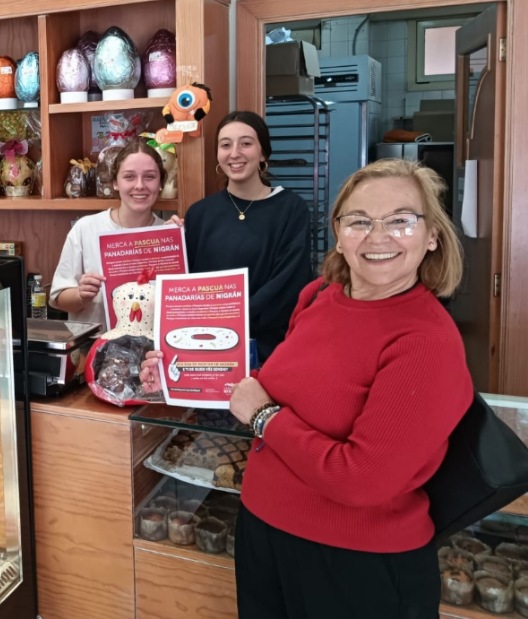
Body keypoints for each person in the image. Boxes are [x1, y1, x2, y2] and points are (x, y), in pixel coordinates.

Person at [145, 159, 473, 618]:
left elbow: (361, 479)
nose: (378, 237)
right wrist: (180, 372)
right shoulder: (319, 295)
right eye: (359, 221)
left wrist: (264, 417)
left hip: (355, 564)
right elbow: (275, 382)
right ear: (339, 232)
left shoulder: (426, 341)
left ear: (432, 235)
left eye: (401, 221)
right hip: (263, 533)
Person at [184, 110, 312, 363]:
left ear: (263, 153)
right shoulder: (199, 214)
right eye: (225, 145)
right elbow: (185, 283)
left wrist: (233, 320)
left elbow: (289, 283)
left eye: (246, 143)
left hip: (267, 350)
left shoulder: (291, 209)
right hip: (205, 346)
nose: (234, 153)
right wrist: (170, 241)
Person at [50, 138, 166, 326]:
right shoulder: (85, 228)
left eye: (150, 177)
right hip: (95, 343)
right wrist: (80, 295)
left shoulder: (169, 236)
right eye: (129, 177)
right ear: (115, 183)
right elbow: (59, 298)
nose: (139, 185)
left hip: (152, 344)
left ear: (160, 183)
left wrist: (176, 236)